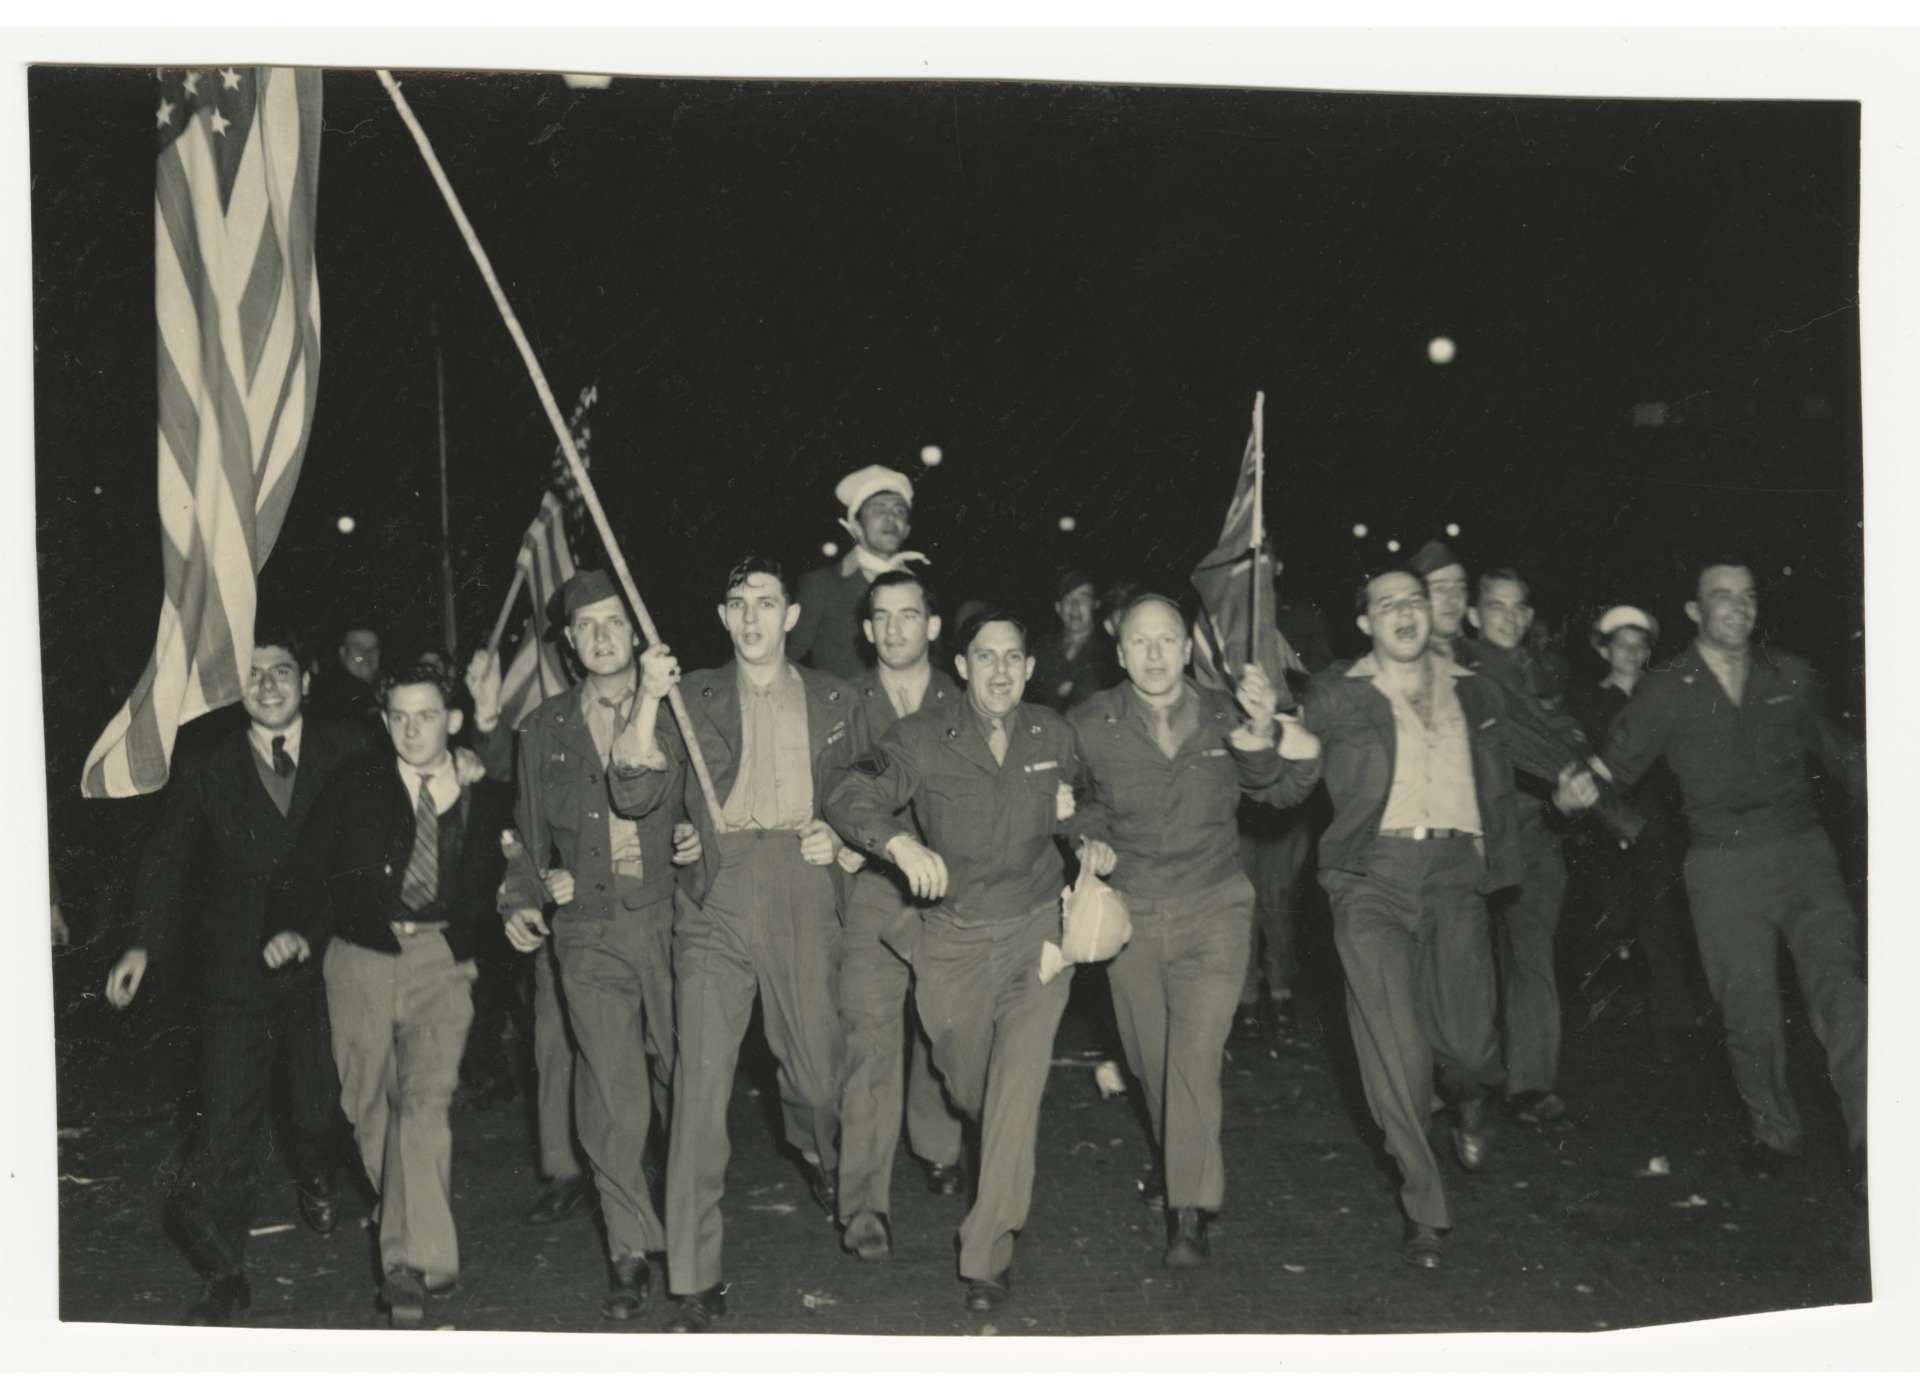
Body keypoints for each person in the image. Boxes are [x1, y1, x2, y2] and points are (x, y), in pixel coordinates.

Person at [1293, 569, 1595, 1270]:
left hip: (1458, 876)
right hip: (1372, 879)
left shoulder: (1474, 688)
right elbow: (1282, 774)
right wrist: (1262, 741)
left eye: (1413, 601)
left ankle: (1470, 1098)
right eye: (1385, 603)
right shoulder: (1339, 691)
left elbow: (1541, 750)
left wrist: (1574, 791)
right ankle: (1424, 1206)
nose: (1402, 611)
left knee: (1467, 1051)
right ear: (1365, 622)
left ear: (1433, 614)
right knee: (1394, 1055)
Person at [614, 556, 863, 1333]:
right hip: (718, 894)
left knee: (820, 1076)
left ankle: (819, 1151)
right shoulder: (692, 696)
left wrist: (845, 837)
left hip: (802, 879)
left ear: (792, 617)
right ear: (724, 619)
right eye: (736, 604)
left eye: (766, 602)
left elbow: (866, 787)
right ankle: (693, 1275)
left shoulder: (835, 697)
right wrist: (648, 699)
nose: (751, 616)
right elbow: (633, 790)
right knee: (699, 1087)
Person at [102, 622, 370, 1324]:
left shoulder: (349, 751)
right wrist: (141, 946)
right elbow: (167, 859)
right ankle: (224, 1269)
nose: (268, 684)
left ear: (306, 681)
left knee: (318, 1112)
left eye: (281, 670)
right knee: (226, 1124)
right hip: (236, 973)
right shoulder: (208, 765)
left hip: (327, 963)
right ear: (233, 689)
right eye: (251, 674)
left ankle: (317, 1173)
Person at [826, 609, 1092, 1316]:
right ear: (963, 666)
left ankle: (987, 1254)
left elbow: (1090, 808)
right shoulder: (921, 736)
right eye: (985, 657)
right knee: (971, 1081)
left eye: (1013, 657)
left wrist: (1084, 829)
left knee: (1016, 1087)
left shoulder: (1052, 733)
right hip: (952, 941)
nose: (1001, 671)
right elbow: (849, 793)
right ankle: (983, 1123)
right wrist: (899, 846)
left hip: (1038, 932)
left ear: (1030, 668)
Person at [261, 654, 515, 1327]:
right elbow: (305, 868)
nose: (411, 731)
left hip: (439, 959)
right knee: (366, 1104)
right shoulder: (357, 784)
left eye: (426, 716)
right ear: (384, 721)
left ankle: (407, 1262)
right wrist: (291, 929)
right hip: (362, 958)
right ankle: (411, 1214)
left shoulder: (479, 791)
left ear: (451, 720)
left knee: (422, 1104)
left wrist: (481, 759)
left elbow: (503, 856)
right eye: (398, 717)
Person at [1596, 560, 1865, 1193]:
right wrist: (1585, 790)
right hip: (1720, 864)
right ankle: (1775, 1132)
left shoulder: (1790, 675)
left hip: (1803, 853)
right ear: (1695, 611)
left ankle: (1874, 1137)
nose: (1739, 608)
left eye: (1748, 597)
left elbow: (1837, 752)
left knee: (1844, 991)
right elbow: (1615, 765)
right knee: (1747, 1009)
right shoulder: (1665, 688)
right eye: (1723, 598)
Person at [1068, 594, 1320, 1267]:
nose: (1153, 653)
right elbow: (1070, 802)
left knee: (1193, 1060)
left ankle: (1190, 1210)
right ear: (1120, 653)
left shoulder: (1222, 710)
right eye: (1139, 642)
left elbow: (1274, 791)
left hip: (1215, 907)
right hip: (1132, 918)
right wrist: (1087, 839)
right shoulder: (1090, 722)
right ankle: (1177, 1158)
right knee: (1151, 1064)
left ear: (1187, 650)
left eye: (1167, 640)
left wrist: (1263, 732)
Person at [495, 569, 700, 1320]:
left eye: (615, 621)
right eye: (587, 627)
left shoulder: (681, 710)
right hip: (589, 931)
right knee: (611, 1089)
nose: (604, 637)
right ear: (570, 644)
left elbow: (714, 810)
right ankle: (628, 1244)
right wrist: (523, 893)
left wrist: (692, 843)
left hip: (674, 918)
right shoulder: (544, 728)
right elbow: (522, 837)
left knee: (686, 1076)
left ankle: (690, 1230)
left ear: (636, 630)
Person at [835, 571, 967, 1263]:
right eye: (881, 617)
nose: (894, 629)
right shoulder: (844, 704)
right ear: (866, 629)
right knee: (870, 1039)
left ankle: (938, 1143)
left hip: (953, 894)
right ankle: (863, 1205)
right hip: (875, 890)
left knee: (943, 1031)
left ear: (933, 626)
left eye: (909, 615)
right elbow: (828, 787)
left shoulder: (970, 698)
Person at [1464, 567, 1579, 1125]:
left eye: (1517, 609)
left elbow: (1572, 738)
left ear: (1529, 618)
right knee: (1469, 960)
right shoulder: (1461, 671)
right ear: (1473, 614)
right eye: (1495, 607)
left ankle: (1531, 1084)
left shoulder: (1547, 673)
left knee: (1531, 958)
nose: (1507, 619)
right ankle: (1468, 1077)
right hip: (1478, 837)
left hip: (1538, 832)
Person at [1568, 605, 1702, 1060]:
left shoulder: (1663, 696)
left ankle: (1670, 1031)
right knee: (1611, 922)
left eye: (1639, 644)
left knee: (1661, 926)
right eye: (1621, 644)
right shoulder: (1585, 702)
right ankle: (1609, 1023)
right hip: (1604, 831)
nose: (1631, 652)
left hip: (1658, 827)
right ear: (1603, 649)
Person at [1236, 562, 1337, 1039]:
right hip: (1242, 783)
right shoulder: (1225, 624)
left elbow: (1318, 687)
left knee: (1278, 896)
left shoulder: (1303, 617)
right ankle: (1245, 997)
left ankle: (1279, 992)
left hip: (1290, 774)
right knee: (1242, 896)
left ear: (1275, 565)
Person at [790, 465, 929, 681]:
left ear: (908, 529)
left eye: (899, 510)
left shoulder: (920, 589)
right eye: (878, 509)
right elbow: (786, 660)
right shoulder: (821, 584)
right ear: (856, 524)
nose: (891, 519)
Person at [1029, 568, 1118, 712]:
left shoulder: (1111, 651)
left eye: (1083, 597)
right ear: (1058, 608)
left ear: (1095, 604)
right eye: (1068, 599)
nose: (1075, 606)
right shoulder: (1041, 649)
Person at [309, 624, 385, 736]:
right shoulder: (335, 695)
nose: (366, 654)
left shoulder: (381, 690)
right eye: (358, 647)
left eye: (373, 648)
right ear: (343, 652)